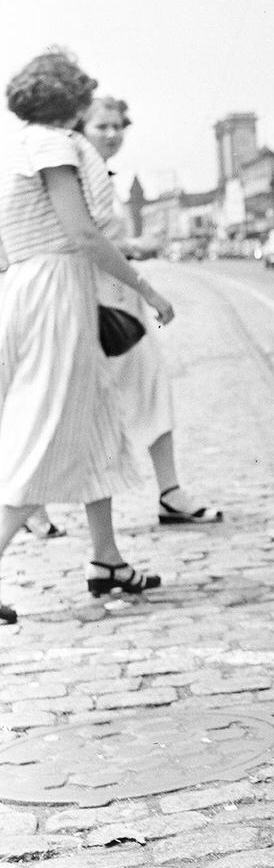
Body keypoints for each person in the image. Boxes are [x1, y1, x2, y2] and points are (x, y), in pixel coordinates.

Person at [0, 49, 174, 624]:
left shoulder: (18, 145)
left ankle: (107, 559)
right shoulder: (52, 145)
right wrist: (146, 288)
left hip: (38, 285)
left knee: (96, 418)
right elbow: (82, 232)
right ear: (70, 101)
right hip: (56, 289)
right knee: (44, 427)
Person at [81, 97, 222, 525]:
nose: (112, 133)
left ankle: (169, 492)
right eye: (101, 126)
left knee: (146, 389)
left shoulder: (98, 174)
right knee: (99, 405)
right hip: (105, 306)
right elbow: (87, 239)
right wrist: (135, 248)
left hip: (118, 302)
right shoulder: (84, 174)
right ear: (81, 128)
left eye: (117, 126)